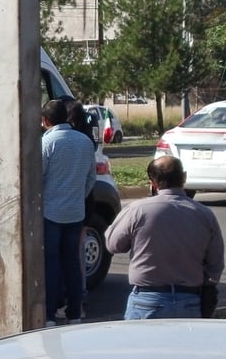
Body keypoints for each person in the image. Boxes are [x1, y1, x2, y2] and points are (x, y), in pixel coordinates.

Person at [105, 155, 224, 319]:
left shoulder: (137, 210)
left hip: (147, 302)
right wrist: (209, 287)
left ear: (153, 182)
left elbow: (113, 245)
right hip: (190, 301)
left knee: (142, 345)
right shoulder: (204, 214)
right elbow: (215, 262)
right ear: (184, 178)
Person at [41, 99, 96, 326]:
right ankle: (74, 313)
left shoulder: (46, 143)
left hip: (50, 213)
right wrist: (77, 196)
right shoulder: (85, 141)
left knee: (51, 264)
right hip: (76, 212)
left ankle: (50, 314)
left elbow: (37, 176)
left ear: (45, 121)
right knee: (72, 263)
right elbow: (91, 178)